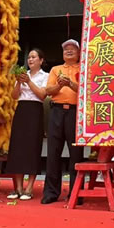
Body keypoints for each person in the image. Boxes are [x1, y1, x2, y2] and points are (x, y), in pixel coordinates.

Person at [41, 39, 83, 205]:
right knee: (53, 153)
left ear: (79, 53)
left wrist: (71, 84)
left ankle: (76, 192)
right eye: (66, 49)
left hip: (75, 113)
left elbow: (87, 91)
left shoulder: (83, 68)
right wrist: (59, 85)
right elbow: (48, 91)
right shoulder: (55, 69)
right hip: (56, 112)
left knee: (76, 154)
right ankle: (51, 192)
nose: (69, 51)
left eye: (73, 49)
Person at [5, 48, 49, 200]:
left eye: (34, 57)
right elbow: (14, 96)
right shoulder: (23, 74)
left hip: (35, 110)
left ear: (41, 60)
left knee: (32, 147)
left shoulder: (45, 76)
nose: (30, 60)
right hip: (21, 110)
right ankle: (17, 188)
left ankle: (29, 188)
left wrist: (29, 82)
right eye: (29, 57)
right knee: (17, 147)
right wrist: (18, 82)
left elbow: (42, 95)